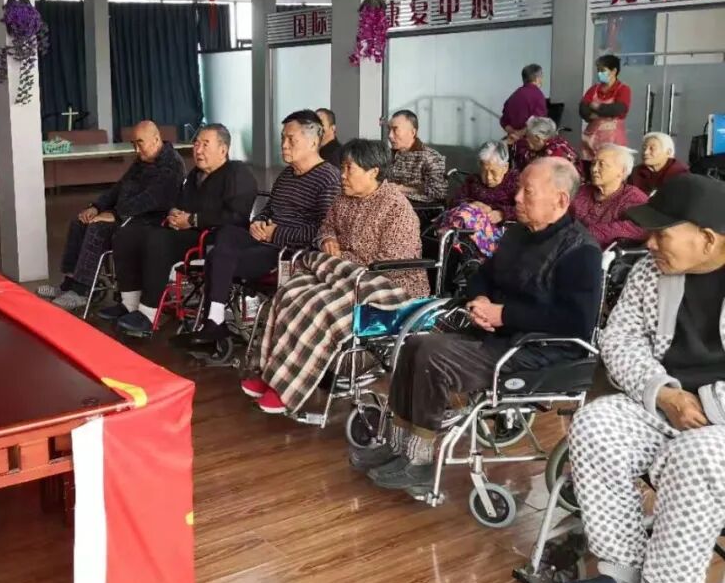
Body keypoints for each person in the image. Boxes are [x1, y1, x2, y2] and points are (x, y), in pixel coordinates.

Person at [350, 158, 602, 491]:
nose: (516, 198)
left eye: (528, 191)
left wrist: (504, 314)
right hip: (496, 335)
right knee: (412, 342)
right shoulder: (518, 233)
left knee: (431, 353)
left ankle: (420, 460)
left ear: (560, 199)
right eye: (519, 190)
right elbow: (482, 275)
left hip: (539, 350)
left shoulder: (580, 251)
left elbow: (576, 321)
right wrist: (480, 301)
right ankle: (397, 446)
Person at [560, 174, 725, 583]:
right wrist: (666, 394)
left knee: (698, 455)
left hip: (718, 430)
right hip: (665, 406)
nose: (648, 243)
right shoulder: (651, 271)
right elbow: (620, 340)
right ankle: (621, 574)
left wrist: (705, 407)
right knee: (596, 424)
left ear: (708, 239)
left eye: (661, 233)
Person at [241, 139, 430, 415]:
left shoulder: (396, 209)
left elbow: (389, 265)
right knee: (291, 292)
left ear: (373, 171)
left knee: (320, 308)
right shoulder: (344, 198)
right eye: (342, 167)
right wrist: (328, 240)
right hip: (344, 273)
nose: (342, 175)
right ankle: (269, 372)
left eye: (349, 168)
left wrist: (343, 260)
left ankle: (286, 388)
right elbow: (326, 227)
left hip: (388, 287)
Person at [173, 110, 341, 349]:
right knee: (227, 234)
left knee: (219, 258)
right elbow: (268, 209)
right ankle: (215, 321)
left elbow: (324, 231)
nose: (284, 145)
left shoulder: (328, 178)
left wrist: (276, 233)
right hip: (265, 240)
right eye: (282, 138)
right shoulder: (287, 174)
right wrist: (257, 223)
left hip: (289, 251)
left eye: (291, 139)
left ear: (313, 142)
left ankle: (214, 323)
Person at [101, 124, 257, 337]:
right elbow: (179, 202)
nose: (198, 150)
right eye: (196, 144)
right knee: (127, 234)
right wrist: (174, 213)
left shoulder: (238, 173)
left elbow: (237, 215)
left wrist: (193, 220)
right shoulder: (195, 175)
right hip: (186, 233)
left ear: (223, 149)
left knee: (158, 240)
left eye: (205, 144)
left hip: (214, 239)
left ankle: (148, 314)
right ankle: (129, 304)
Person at [41, 120, 185, 311]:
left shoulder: (171, 166)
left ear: (156, 139)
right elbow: (119, 188)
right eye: (133, 144)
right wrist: (96, 207)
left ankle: (82, 291)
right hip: (127, 214)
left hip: (147, 221)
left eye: (140, 143)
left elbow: (150, 200)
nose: (136, 149)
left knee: (98, 228)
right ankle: (69, 283)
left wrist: (116, 215)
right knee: (80, 222)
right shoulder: (143, 159)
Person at [440, 140, 519, 257]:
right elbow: (455, 201)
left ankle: (470, 261)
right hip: (466, 230)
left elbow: (526, 209)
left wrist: (502, 213)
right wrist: (474, 204)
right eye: (484, 171)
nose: (489, 177)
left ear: (505, 167)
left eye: (493, 172)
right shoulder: (473, 181)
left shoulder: (516, 182)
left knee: (463, 229)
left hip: (502, 234)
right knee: (461, 219)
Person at [571, 143, 648, 249]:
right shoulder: (582, 191)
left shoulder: (633, 197)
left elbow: (643, 228)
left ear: (621, 171)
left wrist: (590, 233)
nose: (594, 169)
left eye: (601, 164)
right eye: (593, 163)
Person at [387, 110, 447, 204]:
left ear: (413, 132)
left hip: (418, 208)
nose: (390, 135)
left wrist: (402, 189)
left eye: (395, 130)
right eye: (389, 129)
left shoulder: (430, 157)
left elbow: (438, 193)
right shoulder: (387, 155)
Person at [580, 53, 631, 161]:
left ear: (614, 71)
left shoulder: (623, 89)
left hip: (613, 141)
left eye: (603, 70)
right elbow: (583, 108)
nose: (599, 73)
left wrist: (596, 106)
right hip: (591, 141)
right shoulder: (594, 89)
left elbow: (618, 109)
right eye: (598, 70)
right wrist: (593, 113)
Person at [500, 63, 548, 144]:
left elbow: (503, 121)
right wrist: (520, 134)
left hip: (513, 143)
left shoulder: (514, 95)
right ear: (537, 79)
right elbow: (538, 123)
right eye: (541, 77)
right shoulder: (538, 95)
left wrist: (514, 133)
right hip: (531, 144)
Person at [512, 116, 579, 171]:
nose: (527, 140)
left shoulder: (554, 154)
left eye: (528, 137)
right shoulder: (556, 141)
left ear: (537, 138)